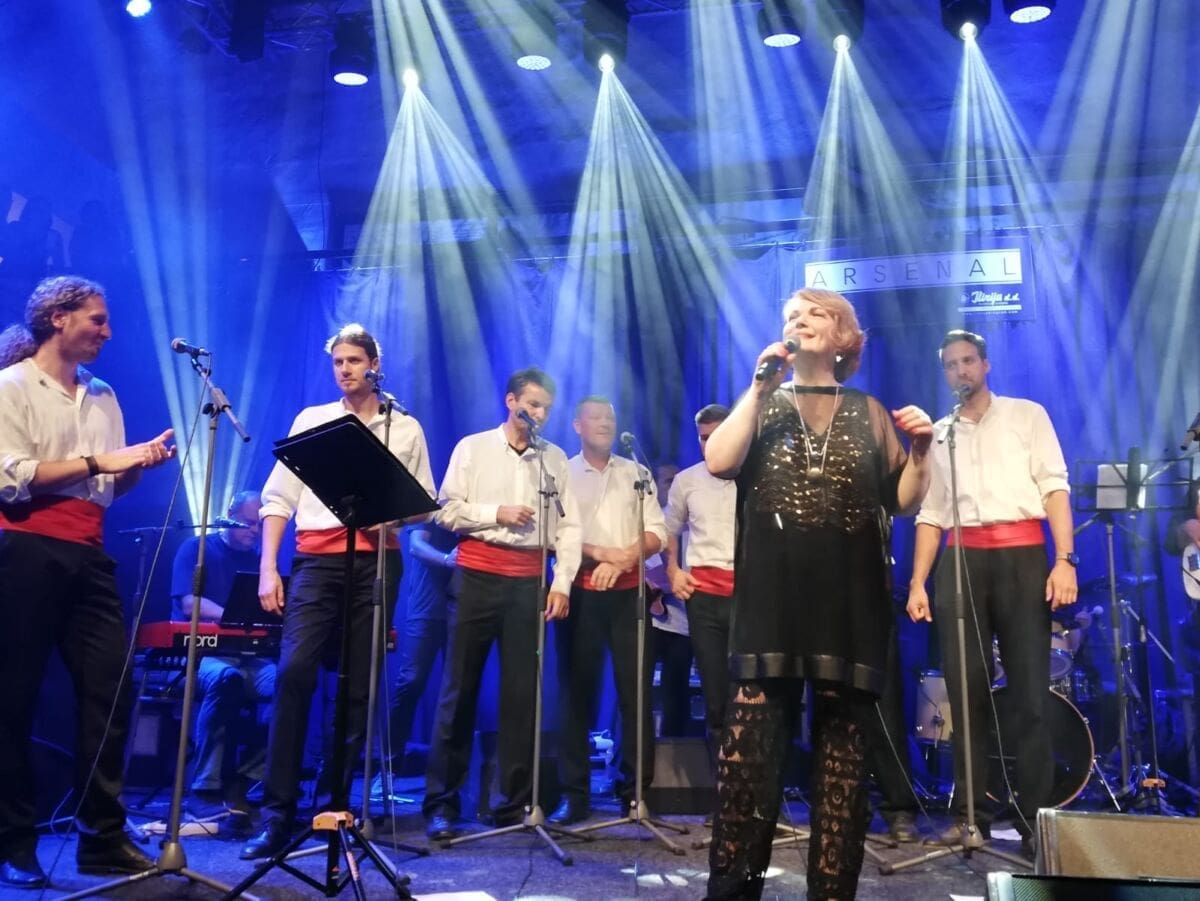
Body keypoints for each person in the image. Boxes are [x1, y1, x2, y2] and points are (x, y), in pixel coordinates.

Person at [703, 287, 932, 899]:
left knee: (842, 768)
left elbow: (903, 501)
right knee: (748, 764)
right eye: (790, 315)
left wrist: (921, 452)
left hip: (848, 604)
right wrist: (758, 388)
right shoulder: (762, 402)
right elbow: (719, 460)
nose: (798, 320)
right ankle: (734, 889)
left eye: (814, 313)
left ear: (843, 337)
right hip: (771, 603)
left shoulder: (869, 410)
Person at [0, 276, 175, 888]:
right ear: (58, 317)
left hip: (89, 550)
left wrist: (139, 463)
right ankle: (14, 843)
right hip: (24, 547)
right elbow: (11, 478)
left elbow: (105, 487)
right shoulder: (12, 385)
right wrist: (103, 461)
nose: (107, 330)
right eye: (96, 319)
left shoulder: (103, 395)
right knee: (13, 697)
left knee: (110, 690)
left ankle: (100, 836)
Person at [240, 324, 436, 860]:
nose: (345, 369)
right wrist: (268, 568)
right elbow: (277, 499)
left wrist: (391, 511)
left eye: (354, 360)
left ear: (375, 365)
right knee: (294, 673)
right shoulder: (312, 420)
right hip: (315, 561)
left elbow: (425, 502)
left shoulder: (403, 427)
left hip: (376, 563)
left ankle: (334, 807)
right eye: (338, 362)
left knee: (357, 688)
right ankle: (277, 814)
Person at [906, 328, 1077, 858]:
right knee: (966, 693)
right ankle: (969, 816)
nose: (960, 371)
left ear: (985, 365)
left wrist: (1064, 560)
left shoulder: (1027, 415)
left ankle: (1033, 820)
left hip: (1022, 557)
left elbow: (1055, 487)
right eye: (950, 365)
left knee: (1029, 695)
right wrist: (917, 582)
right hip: (962, 562)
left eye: (967, 361)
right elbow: (931, 514)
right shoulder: (941, 434)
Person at [423, 367, 581, 841]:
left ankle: (512, 802)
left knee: (522, 696)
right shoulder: (473, 448)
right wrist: (497, 513)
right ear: (511, 401)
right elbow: (445, 510)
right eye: (532, 404)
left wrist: (562, 583)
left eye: (545, 407)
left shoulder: (553, 459)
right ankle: (442, 804)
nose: (539, 414)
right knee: (459, 690)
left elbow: (569, 527)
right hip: (476, 575)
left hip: (529, 582)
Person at [550, 397, 668, 825]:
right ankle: (574, 793)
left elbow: (657, 532)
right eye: (595, 418)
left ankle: (635, 791)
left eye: (610, 418)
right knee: (576, 694)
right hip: (580, 590)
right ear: (577, 425)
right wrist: (602, 555)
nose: (604, 424)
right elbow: (555, 533)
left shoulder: (636, 472)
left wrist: (623, 559)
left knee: (636, 693)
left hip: (629, 594)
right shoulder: (562, 471)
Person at [169, 490, 275, 820]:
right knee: (226, 679)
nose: (255, 531)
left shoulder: (258, 561)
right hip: (200, 658)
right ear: (229, 516)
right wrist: (234, 616)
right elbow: (190, 604)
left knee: (290, 683)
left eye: (260, 526)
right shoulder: (197, 549)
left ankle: (244, 778)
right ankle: (205, 787)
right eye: (249, 523)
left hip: (248, 659)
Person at [664, 404, 737, 784]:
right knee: (715, 696)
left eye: (717, 436)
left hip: (747, 597)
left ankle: (754, 790)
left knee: (752, 694)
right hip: (704, 598)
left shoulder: (752, 476)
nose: (709, 444)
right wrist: (673, 571)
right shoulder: (686, 480)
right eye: (703, 437)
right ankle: (723, 793)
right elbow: (668, 529)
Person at [377, 523, 459, 799]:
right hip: (427, 607)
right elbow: (415, 545)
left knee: (457, 688)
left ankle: (449, 776)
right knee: (411, 681)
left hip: (463, 605)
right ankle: (387, 769)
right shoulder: (433, 507)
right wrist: (447, 559)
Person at [647, 463, 695, 740]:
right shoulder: (651, 523)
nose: (675, 486)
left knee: (676, 689)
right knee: (638, 688)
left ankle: (677, 749)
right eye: (668, 481)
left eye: (678, 480)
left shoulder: (695, 523)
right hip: (652, 619)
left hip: (684, 623)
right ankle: (638, 751)